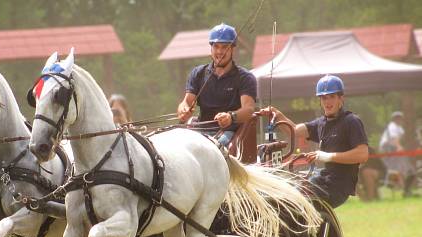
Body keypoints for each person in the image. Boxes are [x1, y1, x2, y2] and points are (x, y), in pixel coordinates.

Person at [258, 75, 369, 208]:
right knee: (289, 190)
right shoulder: (321, 123)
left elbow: (362, 155)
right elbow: (293, 131)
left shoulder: (351, 121)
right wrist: (276, 114)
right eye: (323, 98)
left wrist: (326, 156)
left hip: (339, 186)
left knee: (301, 198)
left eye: (332, 96)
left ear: (341, 98)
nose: (327, 102)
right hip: (322, 178)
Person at [177, 22, 257, 146]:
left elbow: (248, 109)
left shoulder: (245, 77)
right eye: (216, 46)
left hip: (229, 132)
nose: (220, 51)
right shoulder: (198, 73)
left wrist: (231, 117)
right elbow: (186, 101)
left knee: (217, 147)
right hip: (200, 129)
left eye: (225, 47)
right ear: (211, 48)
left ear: (233, 49)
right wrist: (183, 110)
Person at [379, 111, 416, 197]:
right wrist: (399, 148)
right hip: (388, 149)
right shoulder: (392, 126)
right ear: (394, 119)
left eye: (400, 118)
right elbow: (393, 140)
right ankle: (401, 188)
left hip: (393, 150)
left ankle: (404, 189)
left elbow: (399, 140)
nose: (399, 119)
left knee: (403, 170)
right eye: (397, 118)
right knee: (399, 170)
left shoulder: (399, 128)